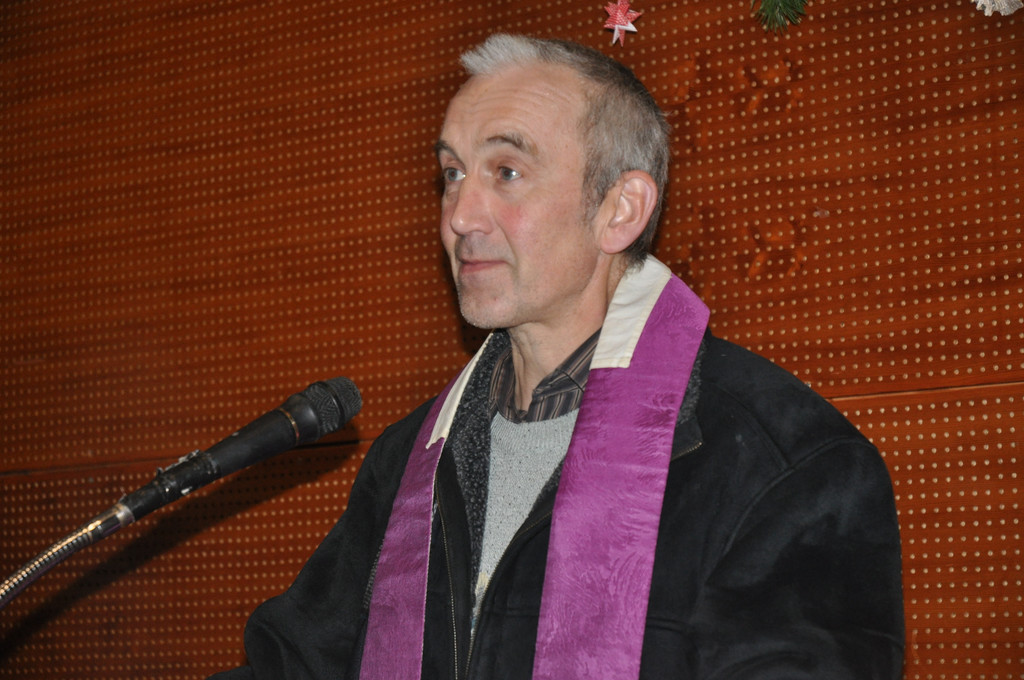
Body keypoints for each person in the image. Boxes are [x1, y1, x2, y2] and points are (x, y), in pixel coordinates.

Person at [211, 34, 904, 680]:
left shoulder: (785, 464)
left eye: (507, 171)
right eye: (452, 173)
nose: (459, 216)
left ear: (620, 209)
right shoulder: (408, 462)